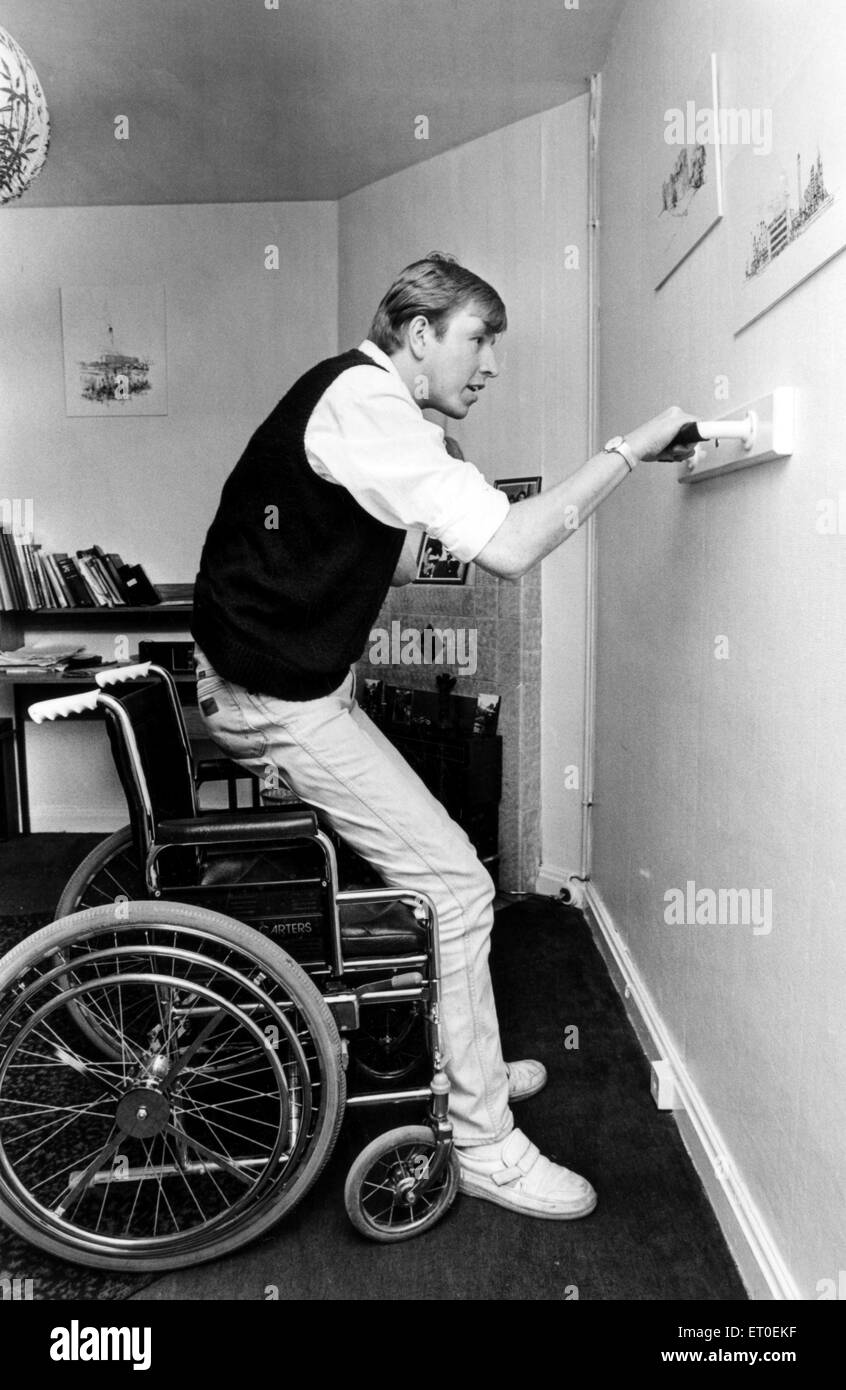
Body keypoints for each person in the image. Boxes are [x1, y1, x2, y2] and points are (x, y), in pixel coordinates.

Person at [191, 252, 696, 1220]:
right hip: (272, 699)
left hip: (291, 689)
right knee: (460, 888)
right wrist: (631, 449)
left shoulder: (369, 406)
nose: (492, 363)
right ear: (418, 336)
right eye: (478, 338)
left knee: (450, 874)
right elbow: (510, 548)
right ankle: (485, 1143)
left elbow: (466, 516)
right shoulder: (365, 404)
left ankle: (468, 1070)